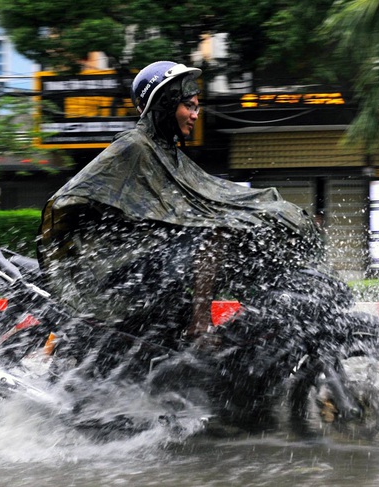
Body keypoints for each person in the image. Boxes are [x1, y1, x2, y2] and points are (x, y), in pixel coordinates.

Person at [37, 61, 321, 352]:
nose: (195, 115)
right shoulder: (134, 146)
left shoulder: (169, 154)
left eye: (197, 107)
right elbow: (72, 197)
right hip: (116, 267)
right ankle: (199, 326)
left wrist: (267, 208)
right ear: (164, 104)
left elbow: (211, 197)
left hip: (151, 259)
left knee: (244, 235)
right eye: (188, 106)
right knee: (213, 232)